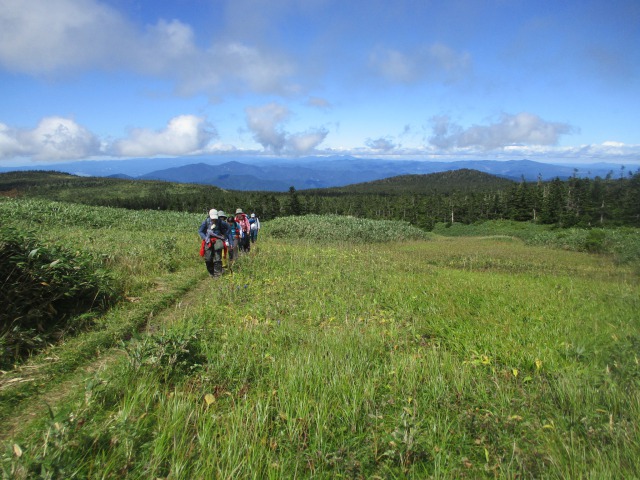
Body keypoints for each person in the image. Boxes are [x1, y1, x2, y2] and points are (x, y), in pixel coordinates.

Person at [198, 209, 229, 277]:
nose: (214, 220)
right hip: (208, 240)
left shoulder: (220, 222)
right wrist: (205, 238)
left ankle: (217, 274)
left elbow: (228, 227)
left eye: (215, 218)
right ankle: (211, 271)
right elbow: (200, 231)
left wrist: (225, 235)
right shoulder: (206, 222)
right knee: (208, 258)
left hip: (218, 240)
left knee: (217, 257)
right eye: (213, 218)